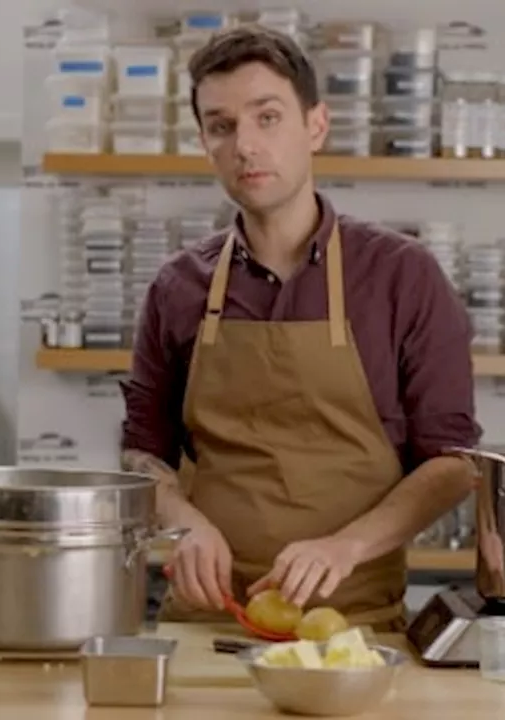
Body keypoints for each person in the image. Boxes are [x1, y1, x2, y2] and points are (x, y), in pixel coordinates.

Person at [119, 24, 482, 632]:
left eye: (267, 118)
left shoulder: (402, 276)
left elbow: (451, 463)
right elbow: (141, 455)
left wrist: (346, 547)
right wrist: (182, 519)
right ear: (205, 141)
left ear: (316, 125)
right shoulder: (176, 287)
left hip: (352, 629)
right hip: (208, 624)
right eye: (221, 126)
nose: (245, 146)